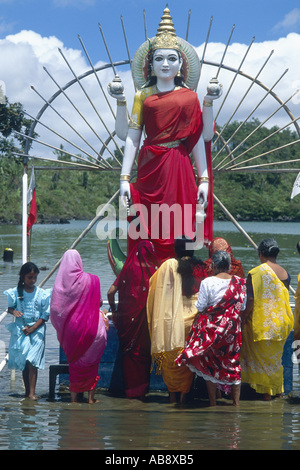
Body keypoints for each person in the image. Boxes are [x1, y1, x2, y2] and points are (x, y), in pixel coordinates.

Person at [108, 6, 222, 262]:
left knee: (179, 227)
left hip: (178, 165)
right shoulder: (142, 96)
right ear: (149, 64)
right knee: (146, 226)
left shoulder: (189, 98)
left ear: (181, 63)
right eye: (159, 59)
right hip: (149, 167)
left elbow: (196, 139)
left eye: (172, 58)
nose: (165, 64)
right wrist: (124, 177)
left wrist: (203, 179)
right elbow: (132, 137)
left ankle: (181, 275)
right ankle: (147, 277)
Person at [176, 251, 246, 406]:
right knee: (233, 364)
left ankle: (213, 403)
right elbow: (242, 307)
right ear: (229, 266)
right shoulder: (241, 282)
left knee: (211, 366)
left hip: (212, 333)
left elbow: (200, 307)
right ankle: (236, 404)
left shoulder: (208, 282)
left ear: (213, 266)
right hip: (232, 332)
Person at [147, 236, 207, 403]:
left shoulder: (168, 266)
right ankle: (183, 396)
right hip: (193, 319)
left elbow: (153, 283)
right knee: (186, 359)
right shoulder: (201, 267)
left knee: (171, 358)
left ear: (177, 249)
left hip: (172, 318)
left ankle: (172, 395)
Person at [240, 238, 294, 401]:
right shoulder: (285, 273)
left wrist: (242, 319)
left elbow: (250, 300)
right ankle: (277, 392)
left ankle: (266, 396)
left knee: (263, 364)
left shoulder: (256, 272)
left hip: (263, 325)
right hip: (281, 324)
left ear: (261, 254)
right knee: (274, 363)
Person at [50, 250, 107, 404]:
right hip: (93, 328)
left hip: (71, 330)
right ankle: (90, 399)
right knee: (92, 364)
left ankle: (74, 400)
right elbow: (99, 303)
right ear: (79, 261)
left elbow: (55, 308)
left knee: (75, 363)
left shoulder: (60, 286)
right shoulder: (92, 280)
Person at [107, 240, 160, 399]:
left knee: (130, 355)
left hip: (127, 322)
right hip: (147, 322)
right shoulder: (155, 271)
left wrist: (115, 311)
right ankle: (143, 391)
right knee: (144, 354)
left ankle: (131, 392)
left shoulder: (127, 269)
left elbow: (110, 292)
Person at [4, 262, 51, 400]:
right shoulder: (15, 293)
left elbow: (45, 315)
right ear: (23, 276)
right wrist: (14, 312)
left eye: (35, 277)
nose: (33, 280)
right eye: (30, 277)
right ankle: (27, 392)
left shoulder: (42, 294)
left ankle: (31, 393)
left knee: (32, 361)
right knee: (25, 362)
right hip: (21, 330)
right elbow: (10, 308)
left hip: (37, 330)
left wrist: (33, 328)